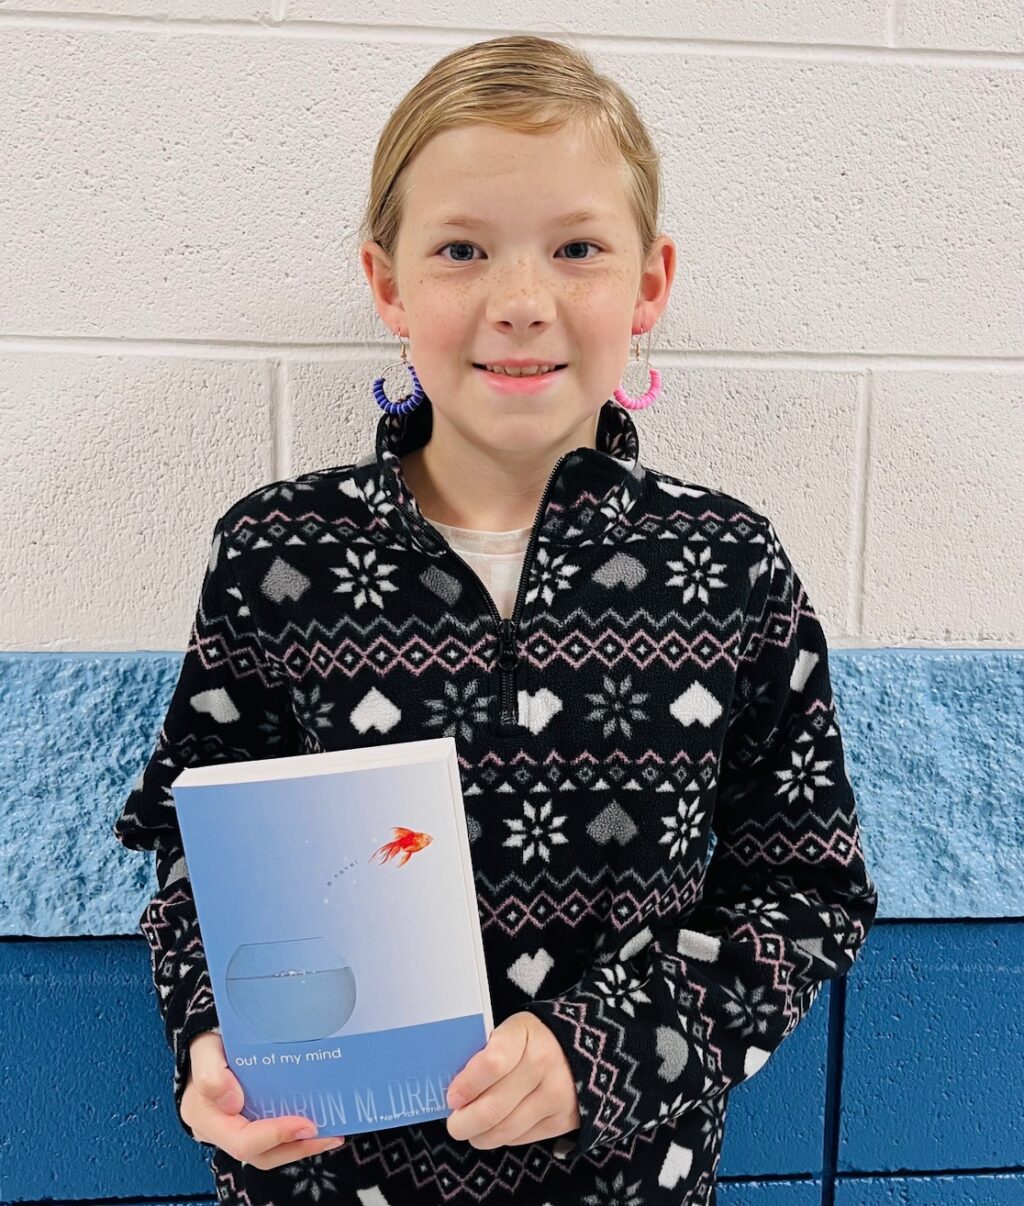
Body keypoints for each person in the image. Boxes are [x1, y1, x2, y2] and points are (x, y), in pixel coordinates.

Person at [113, 33, 879, 1206]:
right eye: (462, 249)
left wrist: (608, 1049)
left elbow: (808, 889)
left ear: (650, 284)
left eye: (576, 248)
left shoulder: (729, 568)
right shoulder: (278, 556)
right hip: (326, 1183)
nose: (521, 303)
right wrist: (210, 1043)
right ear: (387, 284)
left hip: (628, 1183)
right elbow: (193, 849)